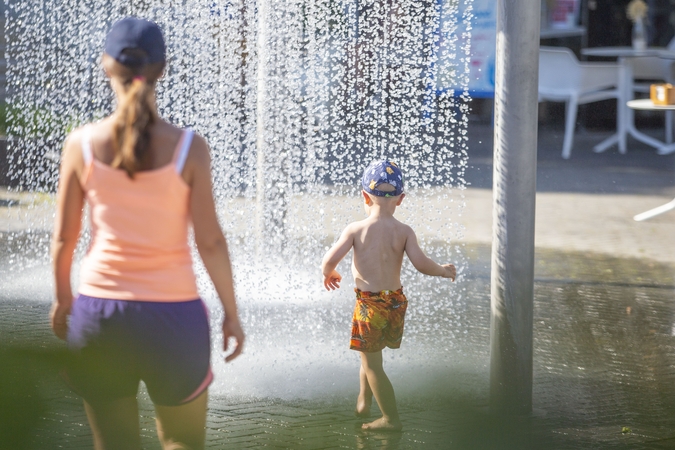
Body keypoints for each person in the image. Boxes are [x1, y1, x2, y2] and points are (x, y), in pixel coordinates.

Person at [49, 17, 245, 450]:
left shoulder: (80, 145)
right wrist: (231, 312)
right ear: (162, 69)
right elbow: (209, 241)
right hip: (174, 317)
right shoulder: (189, 148)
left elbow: (64, 237)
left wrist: (64, 297)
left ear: (106, 66)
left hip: (99, 315)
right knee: (182, 442)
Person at [321, 160, 456, 431]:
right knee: (370, 355)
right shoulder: (404, 231)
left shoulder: (355, 229)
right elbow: (421, 264)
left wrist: (330, 273)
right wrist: (442, 270)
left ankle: (390, 419)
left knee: (373, 365)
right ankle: (364, 399)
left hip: (369, 305)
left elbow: (328, 260)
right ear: (401, 199)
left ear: (364, 196)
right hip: (394, 302)